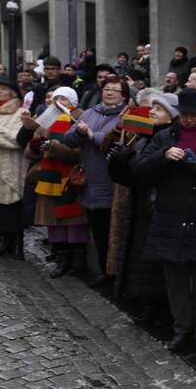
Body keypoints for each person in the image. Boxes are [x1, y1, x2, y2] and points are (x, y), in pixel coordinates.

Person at [133, 88, 196, 351]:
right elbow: (140, 172)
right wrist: (163, 156)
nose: (190, 119)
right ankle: (181, 328)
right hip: (170, 215)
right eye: (186, 114)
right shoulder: (164, 136)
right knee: (175, 278)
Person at [104, 91, 178, 326]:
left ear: (171, 115)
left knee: (154, 264)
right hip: (140, 205)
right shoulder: (145, 135)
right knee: (140, 259)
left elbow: (148, 170)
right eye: (152, 108)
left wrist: (130, 160)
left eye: (159, 109)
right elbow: (130, 177)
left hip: (158, 207)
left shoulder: (170, 137)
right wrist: (118, 163)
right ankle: (145, 303)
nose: (152, 112)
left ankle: (159, 308)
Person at [63, 75, 130, 286]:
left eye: (114, 90)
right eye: (106, 89)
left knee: (116, 232)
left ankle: (118, 274)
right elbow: (69, 138)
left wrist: (93, 135)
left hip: (113, 181)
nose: (109, 93)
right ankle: (104, 270)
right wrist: (82, 134)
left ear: (124, 95)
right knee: (99, 232)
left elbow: (121, 142)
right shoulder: (90, 112)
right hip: (89, 180)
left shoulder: (126, 115)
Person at [24, 87, 88, 276]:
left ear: (73, 102)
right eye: (56, 99)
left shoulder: (80, 119)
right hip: (49, 179)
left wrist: (51, 147)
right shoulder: (47, 119)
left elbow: (79, 152)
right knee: (54, 222)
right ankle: (62, 258)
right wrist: (35, 146)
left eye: (64, 99)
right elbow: (31, 150)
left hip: (71, 178)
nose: (59, 102)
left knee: (74, 222)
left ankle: (77, 263)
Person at [0, 77, 30, 259]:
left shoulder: (20, 113)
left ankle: (18, 244)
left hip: (11, 166)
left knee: (13, 207)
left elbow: (17, 140)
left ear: (12, 93)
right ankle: (6, 242)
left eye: (3, 89)